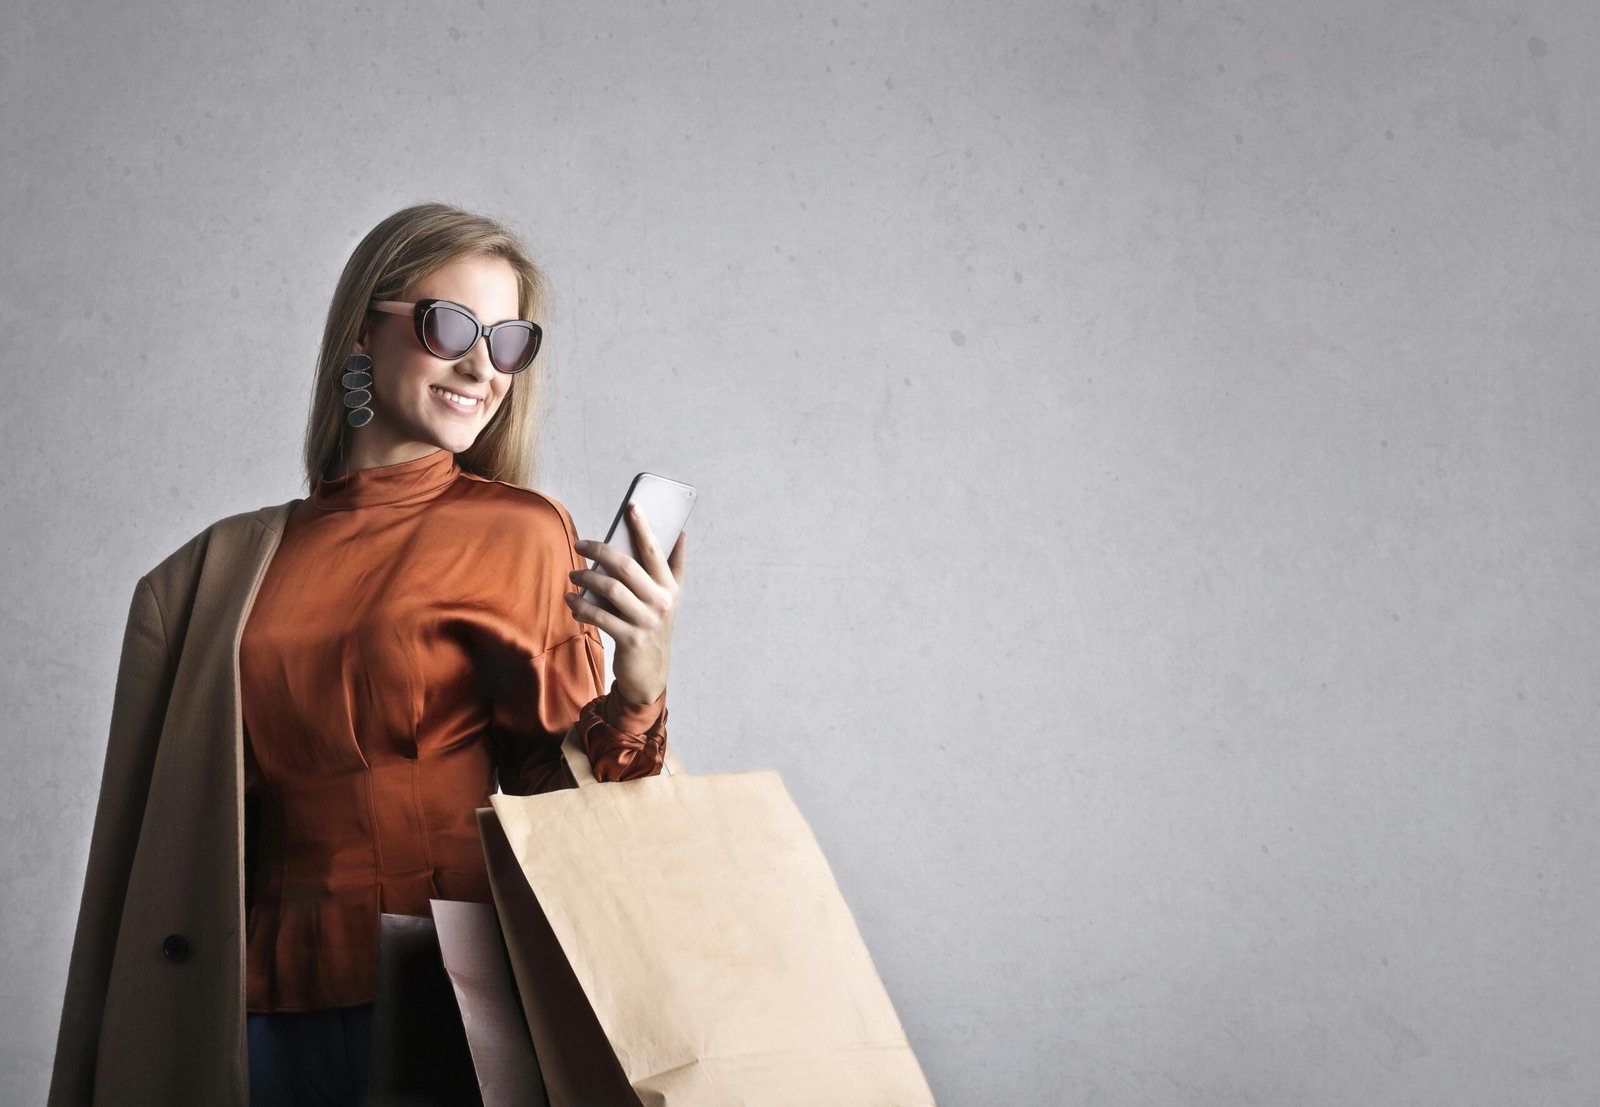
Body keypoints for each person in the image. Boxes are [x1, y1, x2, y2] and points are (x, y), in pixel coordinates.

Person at [48, 202, 686, 1106]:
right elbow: (150, 851)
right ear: (363, 329)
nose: (482, 366)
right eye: (449, 326)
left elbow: (562, 799)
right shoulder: (206, 576)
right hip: (254, 1007)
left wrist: (639, 691)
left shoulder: (519, 532)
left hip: (458, 995)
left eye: (507, 342)